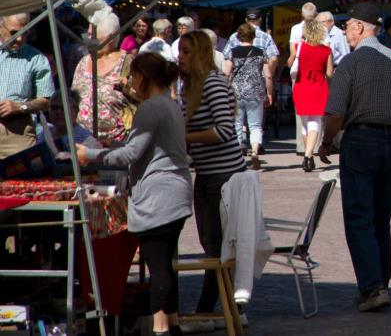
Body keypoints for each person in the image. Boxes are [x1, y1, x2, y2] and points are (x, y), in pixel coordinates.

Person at [76, 53, 192, 336]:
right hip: (174, 190)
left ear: (143, 77)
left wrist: (89, 154)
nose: (130, 81)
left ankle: (160, 328)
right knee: (164, 262)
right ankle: (171, 324)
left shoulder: (152, 108)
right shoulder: (169, 105)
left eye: (134, 76)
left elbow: (131, 153)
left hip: (159, 195)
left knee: (158, 264)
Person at [318, 3, 391, 313]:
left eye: (348, 26)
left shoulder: (351, 63)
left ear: (360, 28)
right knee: (380, 219)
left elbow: (335, 112)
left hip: (361, 141)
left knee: (360, 217)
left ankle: (373, 287)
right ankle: (380, 283)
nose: (345, 32)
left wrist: (326, 141)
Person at [177, 31, 246, 321]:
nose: (180, 57)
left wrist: (184, 137)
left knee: (217, 248)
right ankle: (225, 309)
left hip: (224, 176)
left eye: (186, 52)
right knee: (211, 246)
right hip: (206, 174)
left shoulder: (214, 83)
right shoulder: (188, 87)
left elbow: (224, 131)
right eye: (180, 51)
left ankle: (216, 311)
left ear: (202, 54)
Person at [72, 12, 135, 146]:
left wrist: (129, 89)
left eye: (92, 36)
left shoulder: (128, 63)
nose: (87, 39)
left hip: (116, 146)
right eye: (87, 34)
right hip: (82, 143)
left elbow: (142, 98)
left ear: (110, 38)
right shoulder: (83, 62)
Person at [0, 13, 55, 158]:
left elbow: (47, 100)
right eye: (14, 33)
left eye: (25, 33)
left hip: (17, 134)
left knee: (20, 180)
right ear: (0, 28)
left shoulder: (36, 59)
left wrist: (20, 106)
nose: (19, 39)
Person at [223, 23, 272, 170]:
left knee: (237, 124)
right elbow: (268, 75)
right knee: (255, 125)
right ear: (253, 36)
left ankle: (238, 156)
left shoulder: (232, 52)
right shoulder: (260, 52)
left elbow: (226, 73)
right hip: (256, 92)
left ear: (238, 36)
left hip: (236, 93)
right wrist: (269, 93)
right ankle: (255, 151)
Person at [292, 19, 334, 173]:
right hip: (318, 86)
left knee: (304, 123)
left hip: (301, 85)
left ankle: (307, 154)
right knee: (315, 121)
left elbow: (291, 63)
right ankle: (308, 156)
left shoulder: (299, 47)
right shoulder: (326, 51)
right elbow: (329, 73)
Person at [223, 9, 280, 75]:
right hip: (259, 81)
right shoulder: (266, 37)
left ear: (246, 20)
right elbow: (274, 59)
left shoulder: (234, 36)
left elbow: (225, 57)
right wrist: (268, 76)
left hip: (237, 80)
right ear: (260, 19)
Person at [287, 2, 318, 70]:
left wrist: (289, 64)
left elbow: (293, 53)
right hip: (317, 65)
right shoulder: (322, 29)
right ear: (316, 14)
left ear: (302, 14)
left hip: (300, 66)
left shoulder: (295, 28)